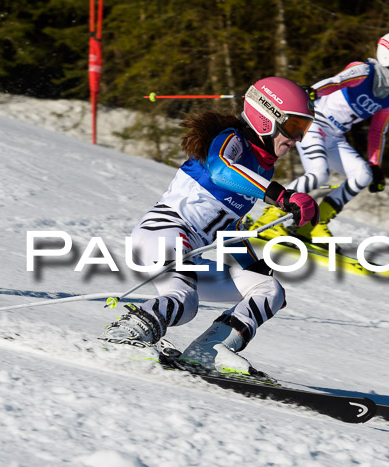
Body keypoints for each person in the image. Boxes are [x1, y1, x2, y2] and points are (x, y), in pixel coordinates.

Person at [99, 77, 318, 376]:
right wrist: (281, 195)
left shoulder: (263, 165)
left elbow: (230, 226)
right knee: (184, 303)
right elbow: (221, 170)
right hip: (165, 232)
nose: (297, 139)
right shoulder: (233, 140)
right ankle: (128, 332)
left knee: (269, 290)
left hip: (193, 254)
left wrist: (255, 267)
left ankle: (208, 353)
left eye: (303, 130)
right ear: (267, 117)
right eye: (294, 127)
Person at [250, 32, 389, 240]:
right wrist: (313, 91)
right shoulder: (365, 71)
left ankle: (314, 224)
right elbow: (337, 81)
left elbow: (378, 131)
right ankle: (271, 215)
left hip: (335, 136)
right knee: (319, 174)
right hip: (314, 125)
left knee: (363, 175)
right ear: (387, 54)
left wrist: (375, 165)